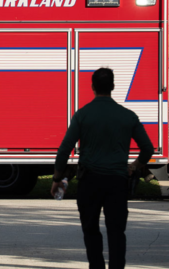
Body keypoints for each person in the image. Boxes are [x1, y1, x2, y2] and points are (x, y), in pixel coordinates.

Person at [50, 68, 154, 269]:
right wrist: (134, 166)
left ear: (92, 87)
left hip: (89, 182)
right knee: (116, 232)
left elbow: (64, 151)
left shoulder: (83, 115)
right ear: (113, 87)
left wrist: (56, 179)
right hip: (117, 182)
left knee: (90, 229)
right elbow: (147, 148)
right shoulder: (128, 116)